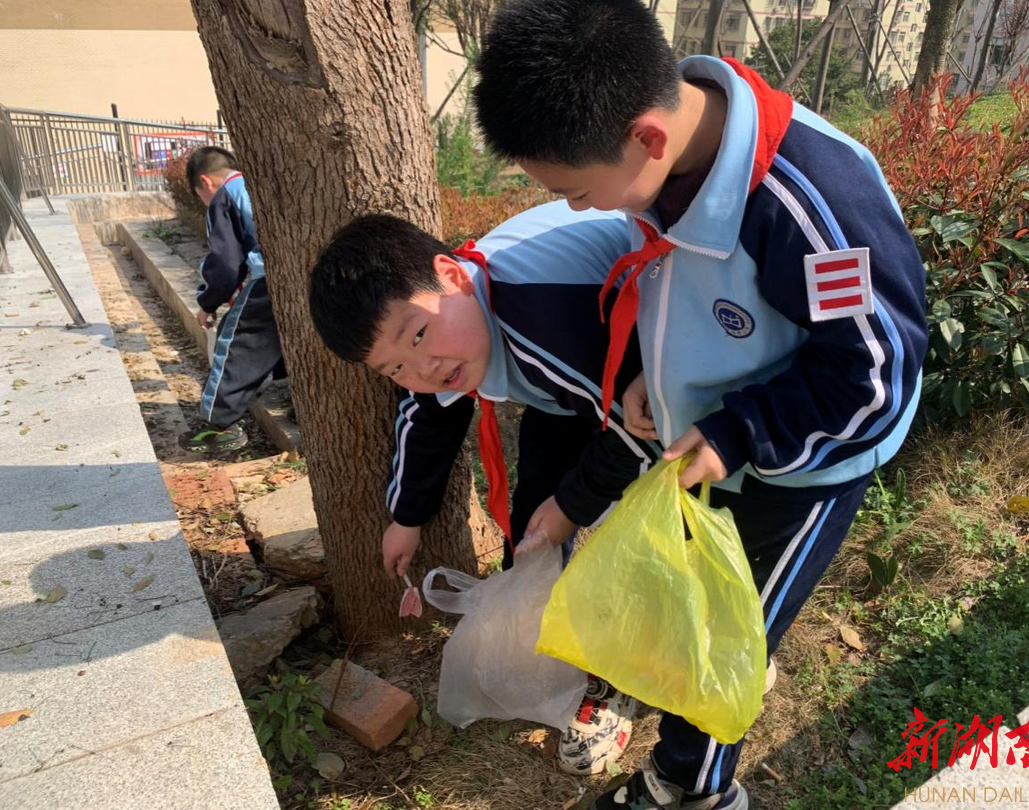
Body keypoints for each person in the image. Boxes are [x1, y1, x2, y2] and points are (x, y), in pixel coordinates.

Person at [473, 2, 929, 807]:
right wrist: (660, 368)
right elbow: (682, 287)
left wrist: (739, 428)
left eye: (577, 192)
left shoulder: (813, 205)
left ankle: (692, 790)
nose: (580, 209)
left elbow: (871, 380)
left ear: (647, 136)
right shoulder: (669, 159)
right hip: (716, 441)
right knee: (696, 616)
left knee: (730, 634)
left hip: (802, 468)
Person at [308, 201, 659, 776]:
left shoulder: (545, 312)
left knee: (640, 525)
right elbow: (427, 411)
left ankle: (626, 678)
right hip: (576, 384)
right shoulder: (453, 328)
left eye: (418, 335)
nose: (423, 368)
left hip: (645, 365)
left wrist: (573, 505)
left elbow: (643, 422)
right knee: (534, 528)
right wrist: (407, 515)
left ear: (451, 274)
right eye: (394, 367)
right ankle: (557, 644)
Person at [178, 146, 285, 455]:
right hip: (292, 275)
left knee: (235, 341)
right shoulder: (254, 184)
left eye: (200, 196)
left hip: (266, 280)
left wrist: (207, 302)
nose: (204, 202)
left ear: (205, 182)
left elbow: (225, 263)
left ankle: (218, 424)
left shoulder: (225, 196)